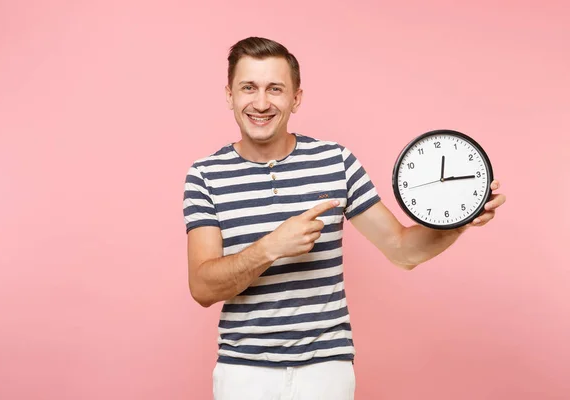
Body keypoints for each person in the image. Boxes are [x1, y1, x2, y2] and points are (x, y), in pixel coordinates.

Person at [182, 36, 506, 400]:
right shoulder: (205, 175)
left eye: (275, 88)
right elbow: (203, 287)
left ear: (296, 98)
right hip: (243, 373)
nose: (261, 102)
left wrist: (459, 220)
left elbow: (403, 250)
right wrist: (271, 248)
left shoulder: (336, 161)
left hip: (327, 372)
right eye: (248, 88)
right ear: (229, 95)